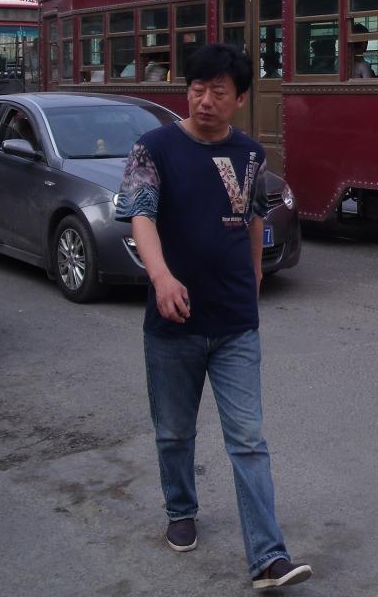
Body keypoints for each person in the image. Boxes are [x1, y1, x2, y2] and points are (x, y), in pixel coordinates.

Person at [116, 43, 312, 592]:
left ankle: (269, 558)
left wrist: (255, 276)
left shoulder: (250, 154)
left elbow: (254, 216)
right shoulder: (154, 148)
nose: (205, 100)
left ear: (240, 99)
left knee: (248, 440)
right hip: (173, 321)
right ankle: (181, 508)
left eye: (218, 92)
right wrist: (161, 277)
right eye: (198, 89)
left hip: (234, 323)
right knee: (174, 432)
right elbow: (141, 216)